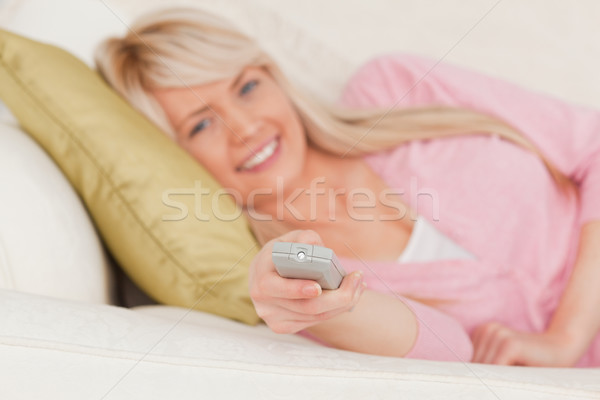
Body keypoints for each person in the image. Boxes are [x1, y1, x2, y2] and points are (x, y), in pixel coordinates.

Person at [95, 7, 600, 367]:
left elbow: (593, 144)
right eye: (202, 125)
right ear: (175, 154)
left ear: (273, 77)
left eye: (247, 87)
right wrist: (324, 308)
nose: (245, 128)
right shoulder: (306, 268)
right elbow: (450, 352)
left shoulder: (391, 88)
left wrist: (567, 335)